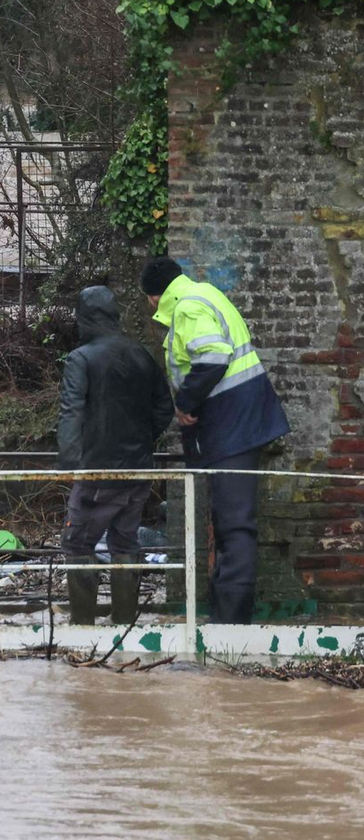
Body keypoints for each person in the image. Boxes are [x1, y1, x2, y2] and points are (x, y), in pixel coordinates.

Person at [139, 256, 290, 624]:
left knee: (235, 522)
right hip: (240, 419)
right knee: (230, 520)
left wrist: (186, 405)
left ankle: (231, 625)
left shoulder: (188, 309)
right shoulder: (206, 293)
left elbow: (213, 357)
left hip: (231, 423)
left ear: (153, 298)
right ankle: (226, 616)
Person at [57, 286, 174, 625]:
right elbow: (164, 406)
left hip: (98, 471)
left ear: (85, 318)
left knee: (78, 543)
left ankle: (83, 628)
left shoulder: (82, 358)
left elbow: (71, 412)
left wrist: (69, 462)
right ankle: (124, 626)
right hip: (138, 471)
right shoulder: (141, 354)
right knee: (125, 541)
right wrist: (142, 440)